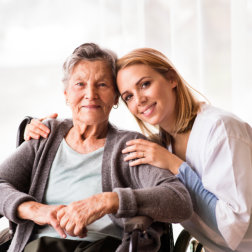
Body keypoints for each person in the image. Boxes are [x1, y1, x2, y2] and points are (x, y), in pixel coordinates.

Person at [28, 46, 252, 251]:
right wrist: (30, 131)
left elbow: (233, 226)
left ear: (171, 78)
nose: (139, 100)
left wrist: (175, 166)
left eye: (145, 84)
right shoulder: (159, 144)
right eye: (129, 96)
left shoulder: (220, 130)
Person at [0, 43, 193, 252]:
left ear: (116, 97)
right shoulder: (45, 135)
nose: (90, 94)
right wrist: (34, 210)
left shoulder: (129, 146)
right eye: (80, 84)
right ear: (66, 94)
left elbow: (179, 200)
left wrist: (108, 201)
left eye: (102, 85)